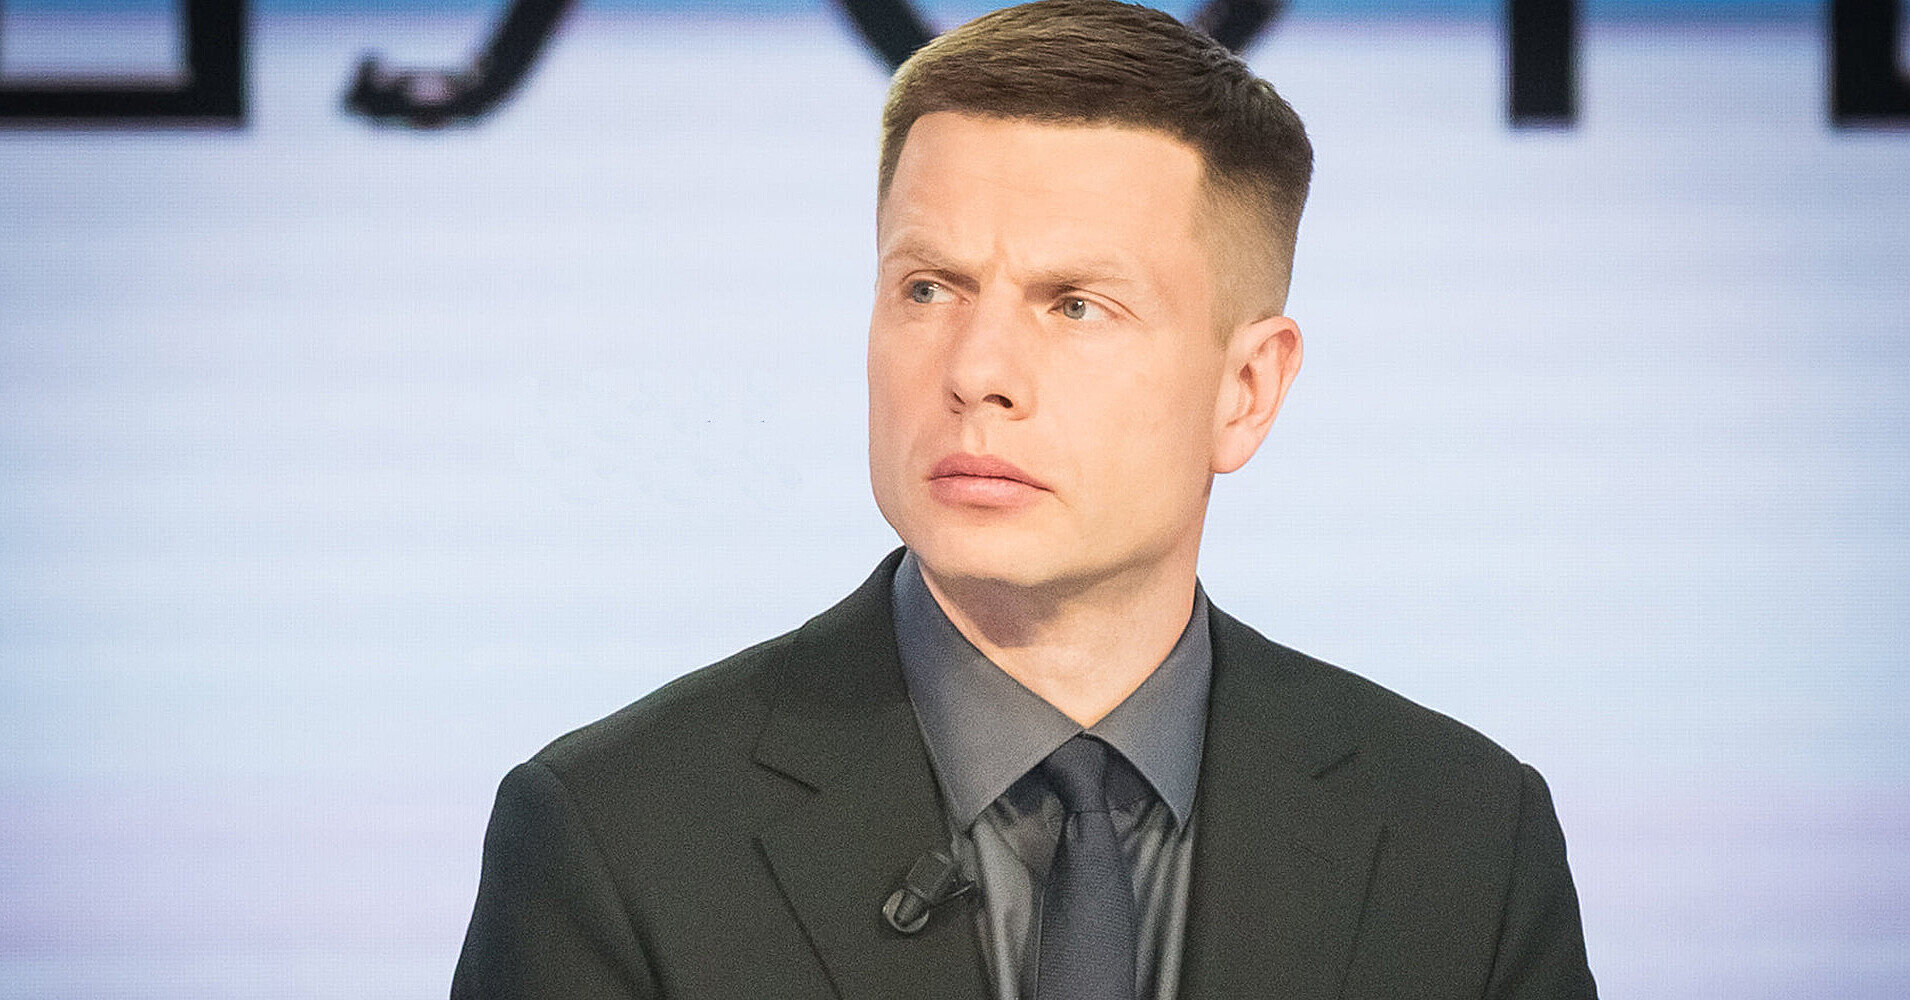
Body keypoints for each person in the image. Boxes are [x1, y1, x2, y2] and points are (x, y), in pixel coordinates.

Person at [450, 2, 1597, 997]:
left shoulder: (1462, 838)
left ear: (1245, 390)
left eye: (1073, 304)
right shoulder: (614, 834)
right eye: (926, 287)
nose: (973, 369)